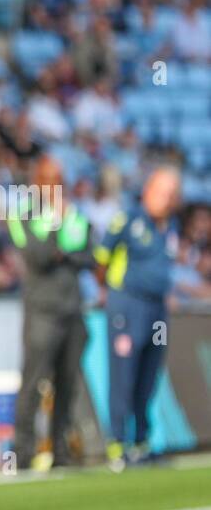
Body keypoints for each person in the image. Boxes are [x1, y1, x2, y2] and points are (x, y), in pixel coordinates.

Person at [8, 156, 94, 471]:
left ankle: (61, 451)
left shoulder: (76, 214)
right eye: (48, 181)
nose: (54, 187)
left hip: (73, 309)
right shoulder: (25, 214)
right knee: (33, 382)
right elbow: (39, 256)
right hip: (42, 310)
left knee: (67, 384)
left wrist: (64, 252)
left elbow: (89, 257)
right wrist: (58, 229)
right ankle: (22, 452)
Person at [96, 165, 180, 470]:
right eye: (163, 192)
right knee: (123, 374)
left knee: (149, 374)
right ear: (148, 191)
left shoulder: (170, 226)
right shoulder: (128, 220)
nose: (169, 199)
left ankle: (142, 442)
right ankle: (118, 443)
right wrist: (109, 293)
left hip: (158, 311)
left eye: (173, 194)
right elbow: (102, 260)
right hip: (128, 307)